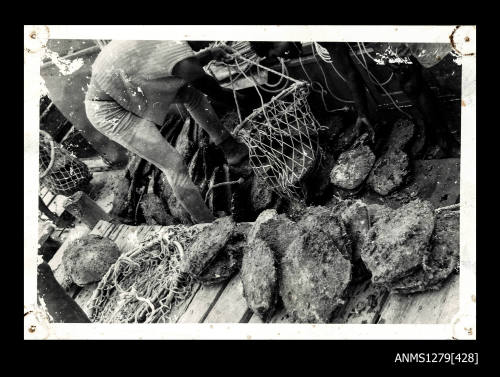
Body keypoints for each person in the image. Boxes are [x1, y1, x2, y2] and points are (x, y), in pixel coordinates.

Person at [85, 40, 249, 224]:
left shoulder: (170, 40)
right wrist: (250, 102)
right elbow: (208, 85)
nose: (207, 42)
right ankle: (208, 224)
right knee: (174, 164)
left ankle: (230, 148)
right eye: (207, 39)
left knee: (190, 93)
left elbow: (182, 65)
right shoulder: (172, 44)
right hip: (108, 110)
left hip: (127, 90)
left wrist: (210, 53)